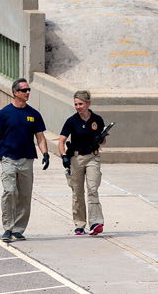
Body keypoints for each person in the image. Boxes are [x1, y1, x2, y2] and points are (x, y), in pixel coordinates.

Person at [0, 78, 49, 243]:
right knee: (9, 192)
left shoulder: (33, 114)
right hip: (9, 159)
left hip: (27, 160)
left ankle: (19, 229)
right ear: (15, 93)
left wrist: (45, 153)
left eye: (28, 90)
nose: (27, 93)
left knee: (25, 195)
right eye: (24, 90)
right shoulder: (4, 114)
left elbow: (40, 136)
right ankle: (8, 228)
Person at [58, 90, 110, 235]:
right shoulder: (72, 120)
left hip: (93, 157)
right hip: (76, 158)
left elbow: (103, 140)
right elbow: (61, 140)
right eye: (76, 104)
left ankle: (95, 222)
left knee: (93, 189)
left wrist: (101, 139)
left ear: (88, 103)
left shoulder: (97, 120)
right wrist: (63, 156)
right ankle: (80, 223)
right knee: (78, 191)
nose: (78, 107)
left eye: (81, 104)